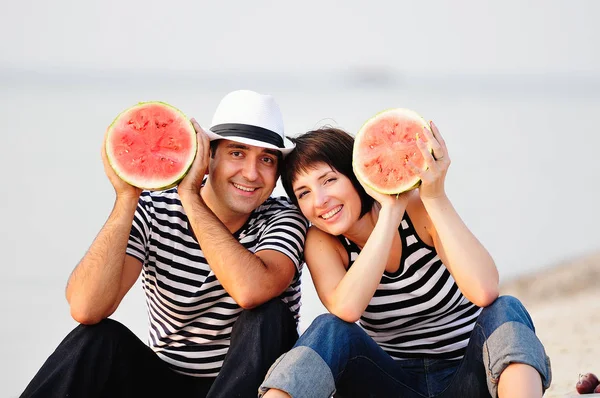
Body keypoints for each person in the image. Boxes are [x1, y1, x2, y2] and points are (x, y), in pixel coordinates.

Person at [21, 90, 309, 398]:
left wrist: (189, 195)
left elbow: (251, 291)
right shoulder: (153, 209)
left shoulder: (284, 217)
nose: (251, 174)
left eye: (266, 160)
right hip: (165, 383)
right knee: (98, 338)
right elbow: (86, 308)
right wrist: (127, 196)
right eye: (237, 153)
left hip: (246, 386)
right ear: (208, 156)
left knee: (269, 315)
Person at [259, 124, 552, 397]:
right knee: (329, 327)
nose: (320, 200)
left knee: (507, 308)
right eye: (304, 193)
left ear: (358, 175)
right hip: (393, 384)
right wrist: (389, 214)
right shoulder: (322, 241)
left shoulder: (419, 209)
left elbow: (485, 289)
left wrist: (435, 197)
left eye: (329, 180)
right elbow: (346, 309)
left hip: (470, 377)